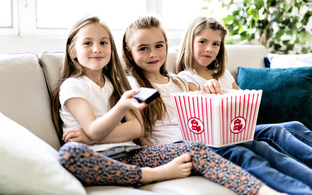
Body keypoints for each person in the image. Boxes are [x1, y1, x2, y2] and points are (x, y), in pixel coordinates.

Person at [53, 15, 275, 195]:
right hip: (99, 157)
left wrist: (92, 134)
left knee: (195, 150)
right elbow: (94, 129)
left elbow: (136, 128)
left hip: (132, 153)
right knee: (70, 154)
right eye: (87, 43)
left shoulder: (118, 84)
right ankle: (153, 174)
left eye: (103, 42)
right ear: (73, 51)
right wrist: (107, 121)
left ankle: (265, 191)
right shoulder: (73, 86)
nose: (97, 49)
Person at [120, 15, 285, 195]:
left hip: (196, 141)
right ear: (129, 52)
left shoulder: (179, 83)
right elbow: (138, 134)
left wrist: (208, 95)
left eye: (159, 46)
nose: (153, 54)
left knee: (256, 145)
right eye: (143, 48)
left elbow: (198, 120)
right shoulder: (131, 86)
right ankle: (268, 191)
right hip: (170, 147)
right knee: (238, 152)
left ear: (166, 46)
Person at [176, 16, 312, 193]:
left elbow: (243, 101)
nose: (209, 49)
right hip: (224, 136)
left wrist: (239, 99)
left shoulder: (223, 74)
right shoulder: (186, 79)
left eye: (216, 44)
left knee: (294, 125)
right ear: (189, 42)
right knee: (276, 132)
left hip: (241, 127)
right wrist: (212, 93)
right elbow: (199, 119)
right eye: (203, 42)